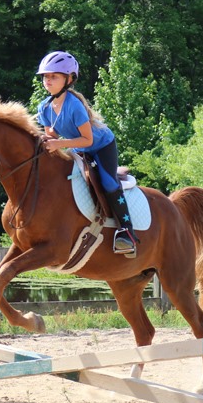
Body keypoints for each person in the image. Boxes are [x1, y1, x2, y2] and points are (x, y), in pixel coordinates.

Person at [36, 51, 139, 255]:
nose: (48, 80)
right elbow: (52, 134)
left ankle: (127, 233)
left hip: (100, 146)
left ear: (69, 79)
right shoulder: (44, 106)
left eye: (53, 76)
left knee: (109, 183)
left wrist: (59, 143)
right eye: (45, 76)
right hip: (78, 146)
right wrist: (45, 140)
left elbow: (88, 140)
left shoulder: (74, 106)